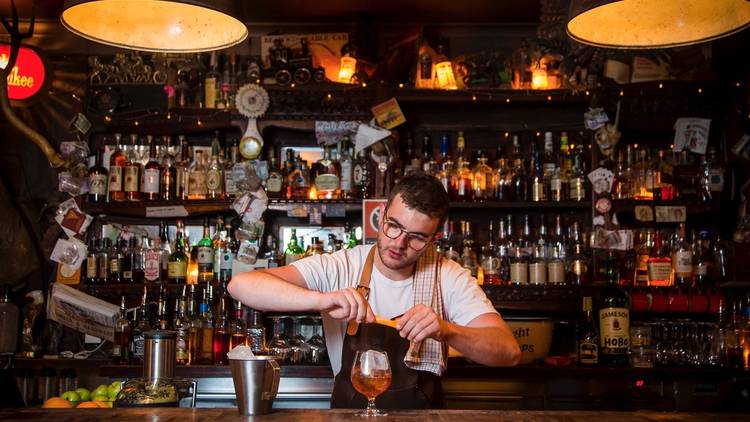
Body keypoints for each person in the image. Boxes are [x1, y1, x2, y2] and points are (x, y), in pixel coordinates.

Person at [228, 172, 520, 409]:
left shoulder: (448, 275)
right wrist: (322, 300)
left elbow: (508, 352)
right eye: (394, 226)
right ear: (381, 216)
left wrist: (447, 330)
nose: (399, 244)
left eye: (416, 238)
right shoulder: (342, 265)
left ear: (434, 239)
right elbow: (241, 285)